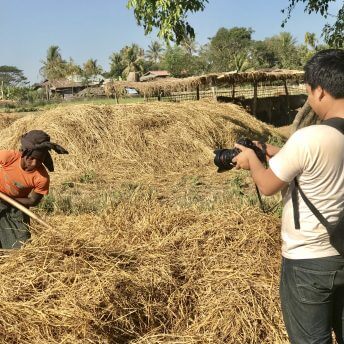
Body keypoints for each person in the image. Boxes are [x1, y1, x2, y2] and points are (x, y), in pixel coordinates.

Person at [232, 49, 344, 344]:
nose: (309, 99)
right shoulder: (325, 139)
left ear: (320, 91)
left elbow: (268, 185)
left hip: (308, 263)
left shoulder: (309, 137)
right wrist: (268, 150)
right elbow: (319, 165)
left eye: (308, 92)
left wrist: (252, 162)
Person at [0, 130, 68, 249]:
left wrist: (9, 199)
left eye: (40, 159)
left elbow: (32, 201)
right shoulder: (9, 157)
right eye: (31, 158)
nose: (35, 163)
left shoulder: (42, 178)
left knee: (20, 247)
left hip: (18, 206)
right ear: (23, 153)